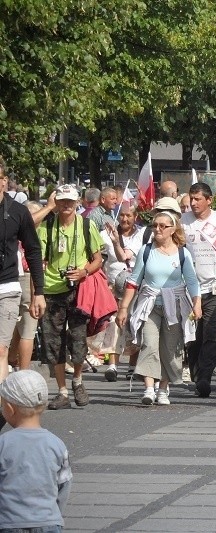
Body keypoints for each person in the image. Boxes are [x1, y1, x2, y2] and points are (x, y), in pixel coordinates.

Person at [117, 212, 202, 405]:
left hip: (175, 306)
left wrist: (197, 304)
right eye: (155, 225)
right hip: (150, 305)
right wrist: (123, 308)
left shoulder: (183, 253)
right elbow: (133, 281)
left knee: (170, 349)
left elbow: (192, 281)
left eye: (163, 226)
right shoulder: (146, 251)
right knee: (149, 343)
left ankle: (163, 389)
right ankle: (149, 388)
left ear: (173, 230)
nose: (157, 229)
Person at [39, 184, 104, 411]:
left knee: (78, 338)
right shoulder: (47, 225)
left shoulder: (87, 225)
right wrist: (37, 293)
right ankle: (61, 391)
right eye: (62, 201)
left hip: (79, 290)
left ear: (78, 202)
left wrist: (84, 271)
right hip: (51, 290)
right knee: (53, 342)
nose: (66, 205)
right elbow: (36, 262)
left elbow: (98, 259)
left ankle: (77, 380)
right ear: (56, 202)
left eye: (70, 201)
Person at [0, 168, 45, 431]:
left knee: (2, 349)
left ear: (4, 182)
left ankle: (3, 405)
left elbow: (33, 249)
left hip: (6, 286)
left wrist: (39, 291)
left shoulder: (17, 211)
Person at [0, 370, 72, 530]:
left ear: (10, 408)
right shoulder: (56, 444)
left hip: (9, 523)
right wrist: (54, 514)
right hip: (49, 522)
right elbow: (64, 485)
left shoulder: (3, 444)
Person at [181, 182, 216, 398]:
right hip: (191, 289)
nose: (193, 203)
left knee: (210, 333)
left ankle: (205, 377)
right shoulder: (182, 222)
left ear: (209, 200)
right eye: (191, 199)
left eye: (198, 199)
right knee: (194, 336)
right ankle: (196, 372)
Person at [101, 203, 145, 381]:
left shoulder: (142, 234)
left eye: (129, 215)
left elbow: (126, 256)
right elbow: (99, 258)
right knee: (113, 324)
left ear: (135, 217)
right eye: (122, 215)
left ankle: (132, 366)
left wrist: (117, 243)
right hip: (112, 285)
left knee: (134, 324)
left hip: (136, 286)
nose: (125, 219)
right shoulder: (104, 234)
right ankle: (113, 365)